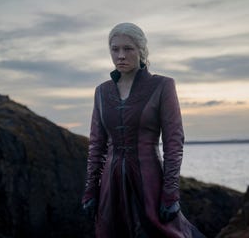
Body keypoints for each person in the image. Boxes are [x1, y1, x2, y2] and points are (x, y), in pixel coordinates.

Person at [82, 22, 206, 238]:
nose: (120, 55)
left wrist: (171, 193)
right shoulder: (102, 92)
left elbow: (173, 142)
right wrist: (91, 189)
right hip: (111, 188)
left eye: (128, 49)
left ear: (141, 51)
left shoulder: (163, 86)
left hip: (150, 182)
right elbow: (96, 145)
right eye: (115, 49)